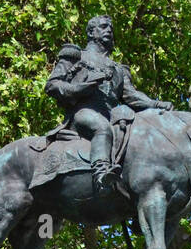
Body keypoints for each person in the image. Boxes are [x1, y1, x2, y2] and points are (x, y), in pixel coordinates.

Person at [44, 15, 173, 193]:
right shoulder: (75, 56)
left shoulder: (118, 69)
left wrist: (156, 104)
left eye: (111, 28)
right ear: (91, 32)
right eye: (104, 27)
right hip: (83, 113)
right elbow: (52, 85)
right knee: (102, 128)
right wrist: (81, 88)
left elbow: (131, 96)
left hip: (111, 116)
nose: (109, 31)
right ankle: (100, 173)